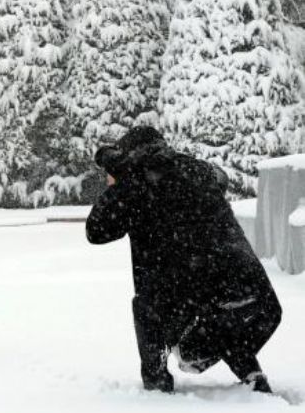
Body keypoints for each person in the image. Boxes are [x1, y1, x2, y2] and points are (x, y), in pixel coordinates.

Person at [86, 126, 282, 393]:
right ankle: (252, 376)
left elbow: (95, 231)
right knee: (221, 318)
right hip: (261, 305)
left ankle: (157, 386)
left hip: (187, 307)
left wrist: (122, 178)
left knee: (148, 308)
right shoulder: (199, 170)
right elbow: (219, 178)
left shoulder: (135, 184)